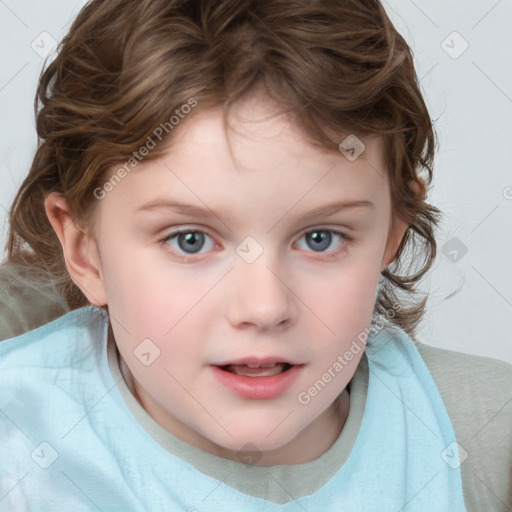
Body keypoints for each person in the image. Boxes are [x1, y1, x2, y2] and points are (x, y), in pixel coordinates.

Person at [0, 0, 510, 510]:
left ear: (390, 235)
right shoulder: (19, 448)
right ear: (84, 251)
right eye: (190, 240)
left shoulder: (483, 437)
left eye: (320, 238)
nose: (264, 307)